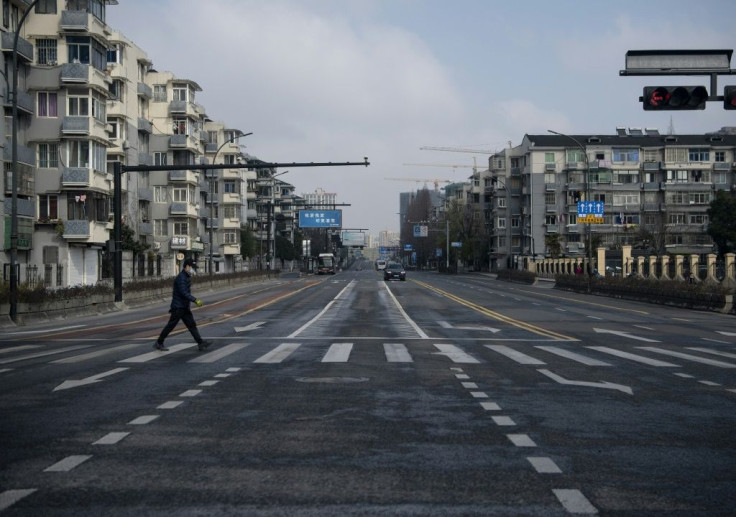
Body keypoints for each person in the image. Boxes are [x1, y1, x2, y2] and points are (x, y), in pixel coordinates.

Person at [154, 258, 212, 352]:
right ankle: (159, 343)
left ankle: (200, 343)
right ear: (187, 267)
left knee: (191, 325)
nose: (193, 270)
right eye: (192, 268)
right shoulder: (181, 278)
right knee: (171, 326)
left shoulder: (186, 277)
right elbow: (183, 292)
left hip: (184, 307)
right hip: (178, 307)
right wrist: (195, 300)